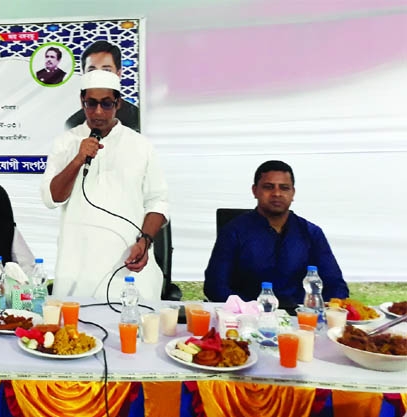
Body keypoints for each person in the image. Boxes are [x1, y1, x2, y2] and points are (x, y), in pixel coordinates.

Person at [41, 70, 169, 301]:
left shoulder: (141, 146)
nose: (98, 111)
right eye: (91, 103)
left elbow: (158, 201)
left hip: (127, 264)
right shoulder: (65, 142)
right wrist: (78, 159)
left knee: (132, 331)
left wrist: (146, 241)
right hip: (78, 267)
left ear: (118, 103)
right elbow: (52, 198)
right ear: (82, 102)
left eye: (106, 103)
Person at [204, 160, 349, 305]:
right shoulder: (234, 231)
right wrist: (248, 309)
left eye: (284, 188)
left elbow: (336, 286)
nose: (277, 193)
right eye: (268, 187)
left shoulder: (311, 233)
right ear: (255, 191)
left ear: (293, 193)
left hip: (300, 319)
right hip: (247, 318)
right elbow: (215, 286)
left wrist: (323, 312)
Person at [64, 40, 140, 132]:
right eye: (92, 71)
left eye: (106, 70)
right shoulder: (72, 124)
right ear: (83, 75)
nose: (98, 75)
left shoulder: (137, 119)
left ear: (118, 74)